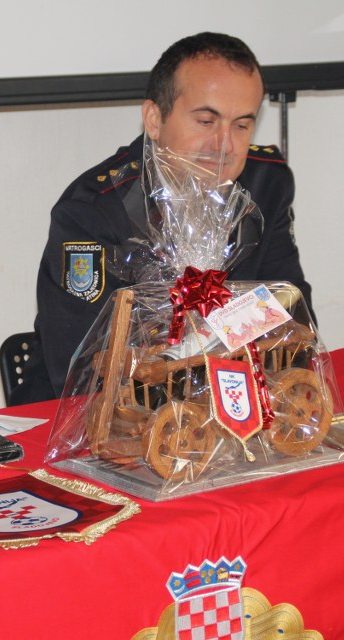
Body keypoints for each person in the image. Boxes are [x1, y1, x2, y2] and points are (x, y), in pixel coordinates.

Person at [20, 32, 314, 403]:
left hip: (234, 403)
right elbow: (80, 369)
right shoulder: (94, 210)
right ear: (154, 119)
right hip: (94, 414)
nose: (224, 146)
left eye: (241, 125)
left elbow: (291, 312)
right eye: (206, 121)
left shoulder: (265, 183)